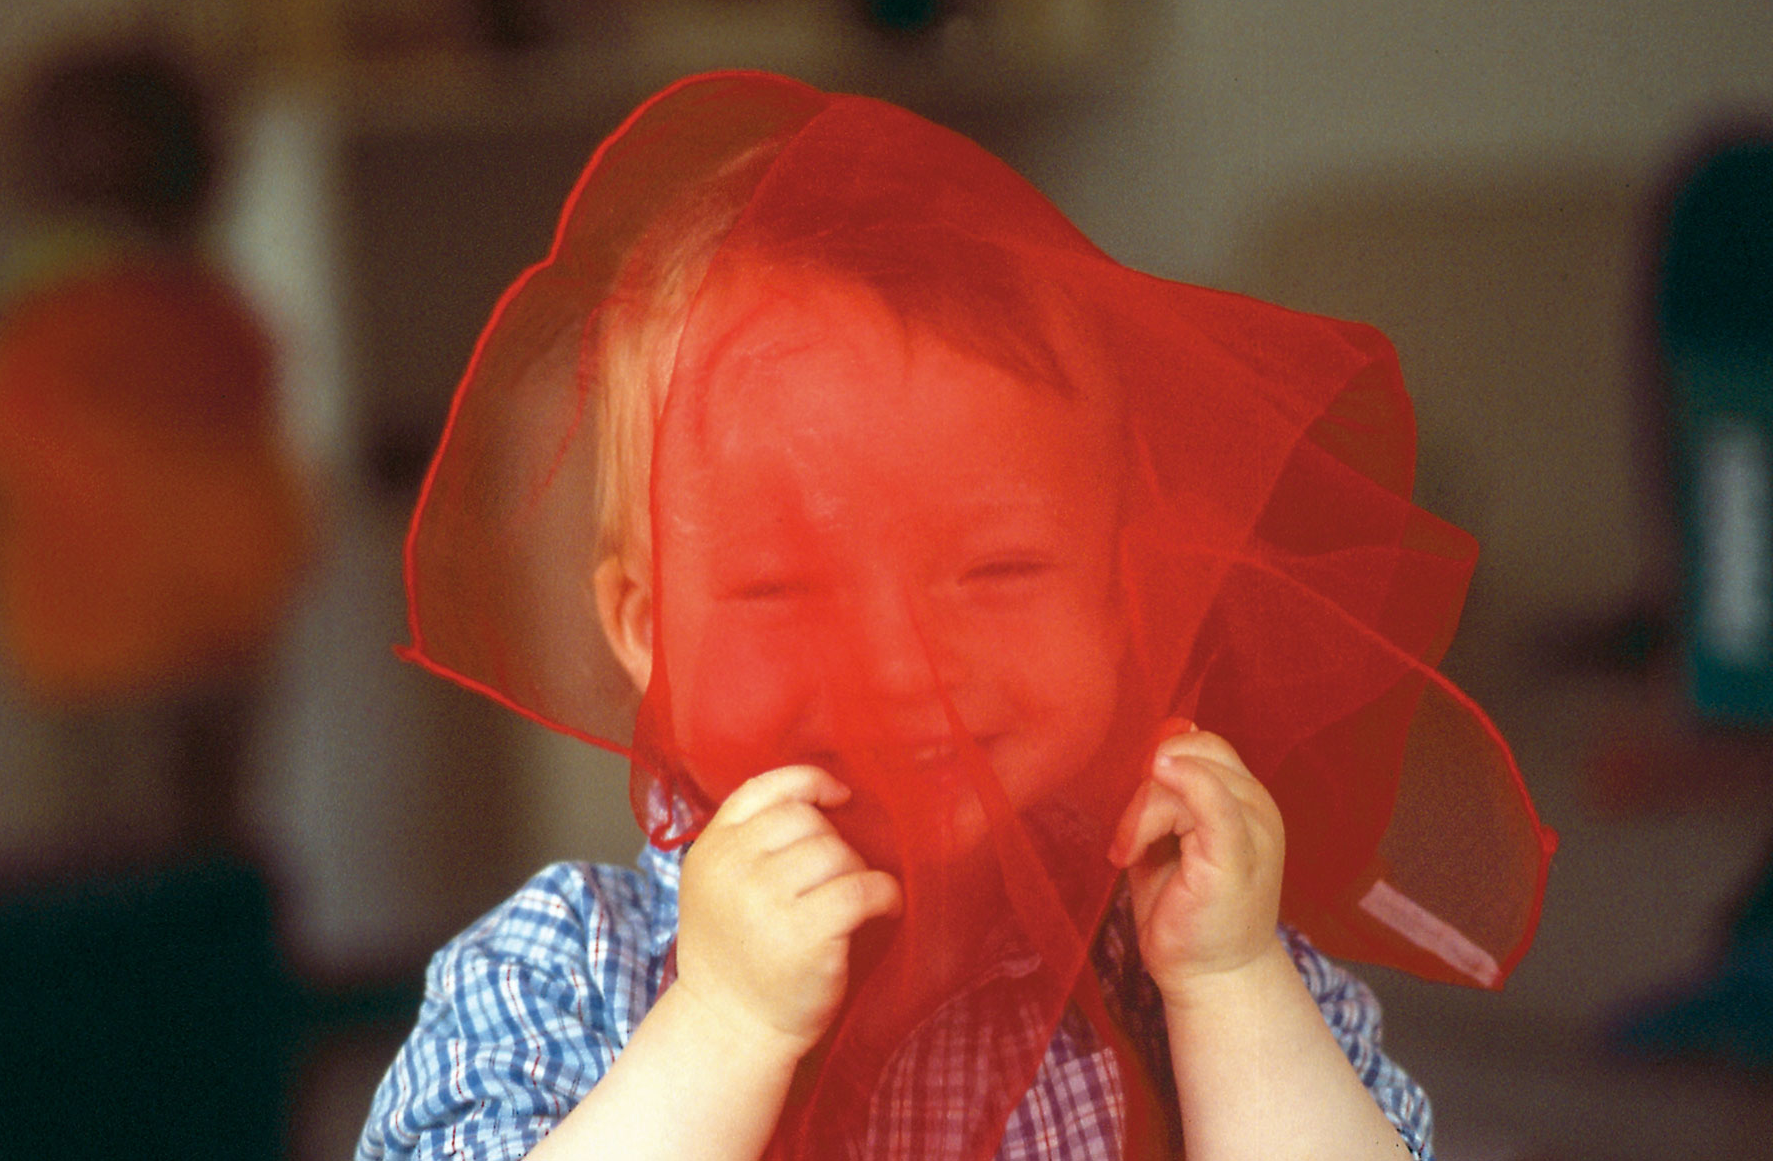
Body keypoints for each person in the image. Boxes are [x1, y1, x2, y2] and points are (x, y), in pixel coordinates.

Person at [359, 71, 1553, 1160]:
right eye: (785, 588)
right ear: (645, 628)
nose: (901, 666)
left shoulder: (1172, 950)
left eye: (998, 571)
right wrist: (724, 1022)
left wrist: (1230, 983)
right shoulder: (571, 965)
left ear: (1121, 583)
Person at [0, 37, 312, 851]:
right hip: (226, 654)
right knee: (204, 866)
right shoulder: (223, 320)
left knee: (94, 886)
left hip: (89, 671)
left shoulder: (49, 333)